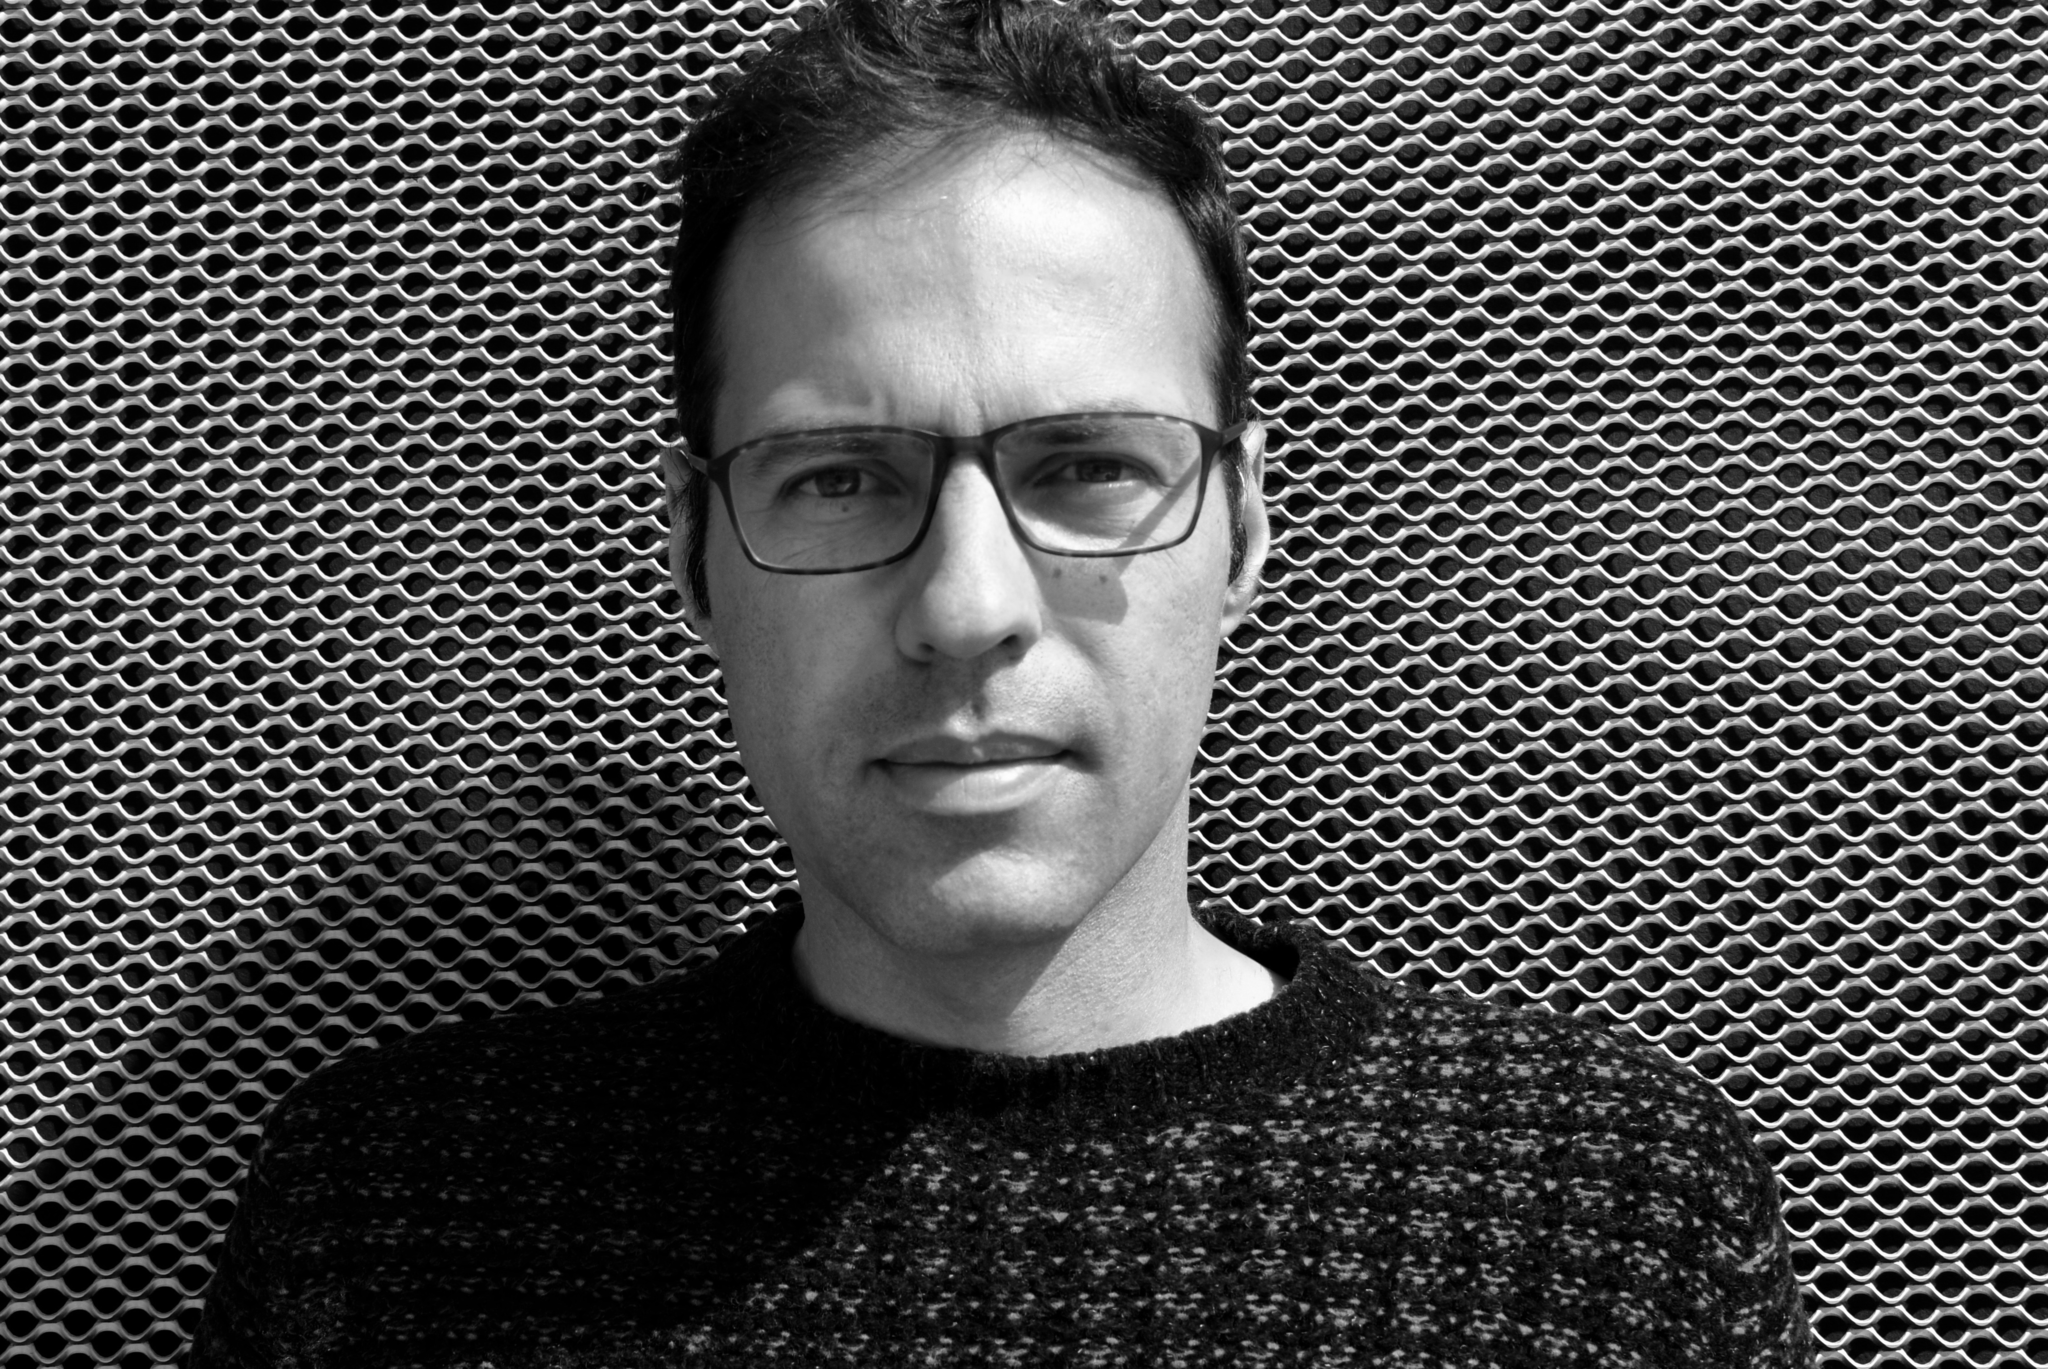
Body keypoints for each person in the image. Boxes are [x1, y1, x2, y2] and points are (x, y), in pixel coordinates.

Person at [185, 0, 1815, 1364]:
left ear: (1243, 529)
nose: (967, 607)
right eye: (840, 477)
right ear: (692, 550)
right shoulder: (403, 1221)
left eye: (1089, 466)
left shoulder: (1600, 1216)